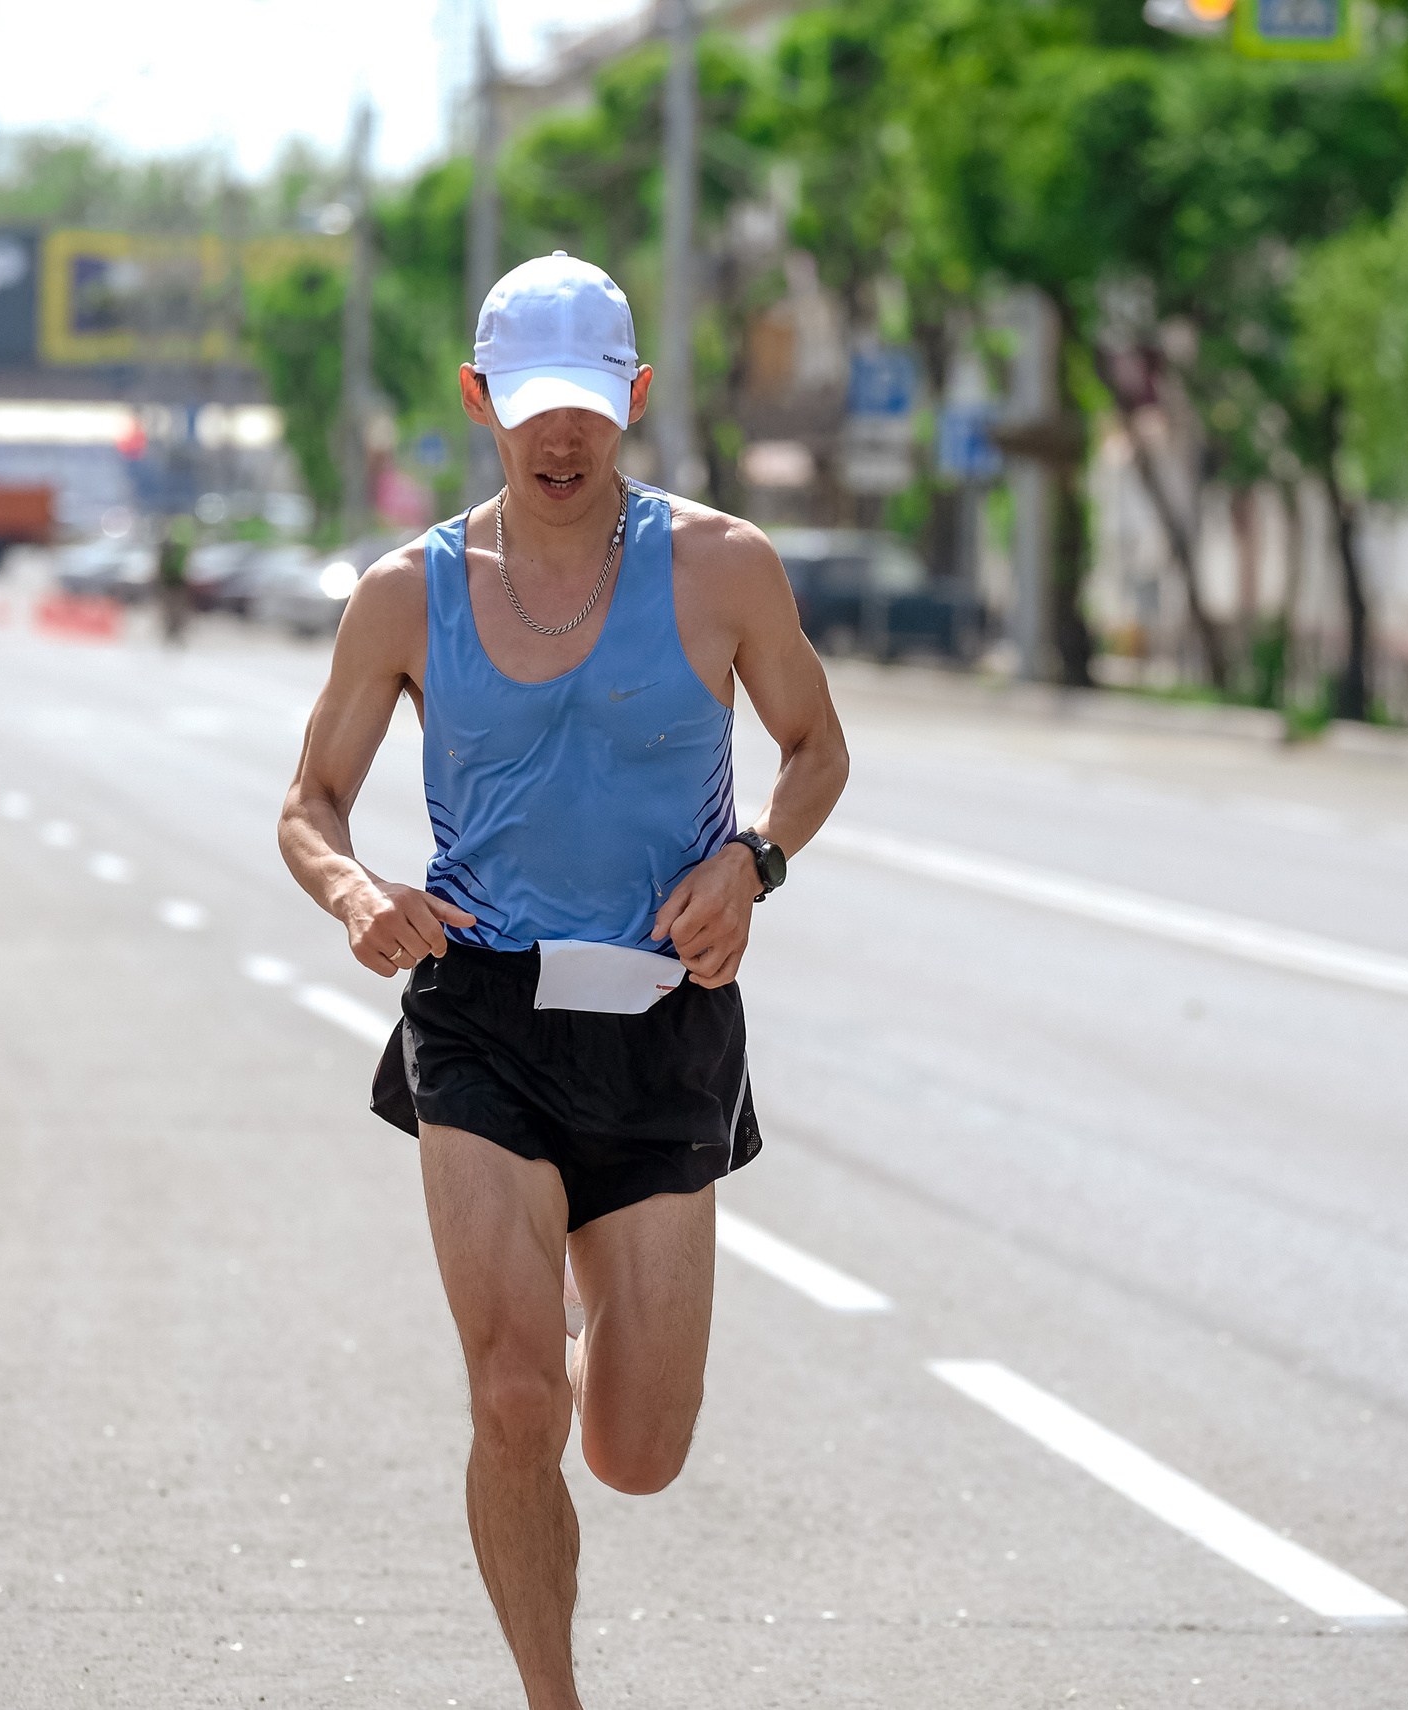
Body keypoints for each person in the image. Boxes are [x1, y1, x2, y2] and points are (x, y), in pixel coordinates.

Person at [278, 252, 849, 1709]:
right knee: (514, 1392)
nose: (561, 436)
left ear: (634, 398)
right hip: (481, 1013)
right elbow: (310, 801)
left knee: (638, 1448)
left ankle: (581, 1326)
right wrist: (355, 893)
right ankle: (553, 1696)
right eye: (531, 406)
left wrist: (757, 862)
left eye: (589, 406)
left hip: (662, 1023)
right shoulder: (407, 596)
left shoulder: (722, 566)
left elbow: (817, 747)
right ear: (480, 399)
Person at [157, 511, 196, 645]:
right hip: (171, 581)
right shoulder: (169, 547)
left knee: (176, 611)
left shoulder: (178, 547)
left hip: (177, 582)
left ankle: (175, 634)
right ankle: (170, 634)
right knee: (171, 610)